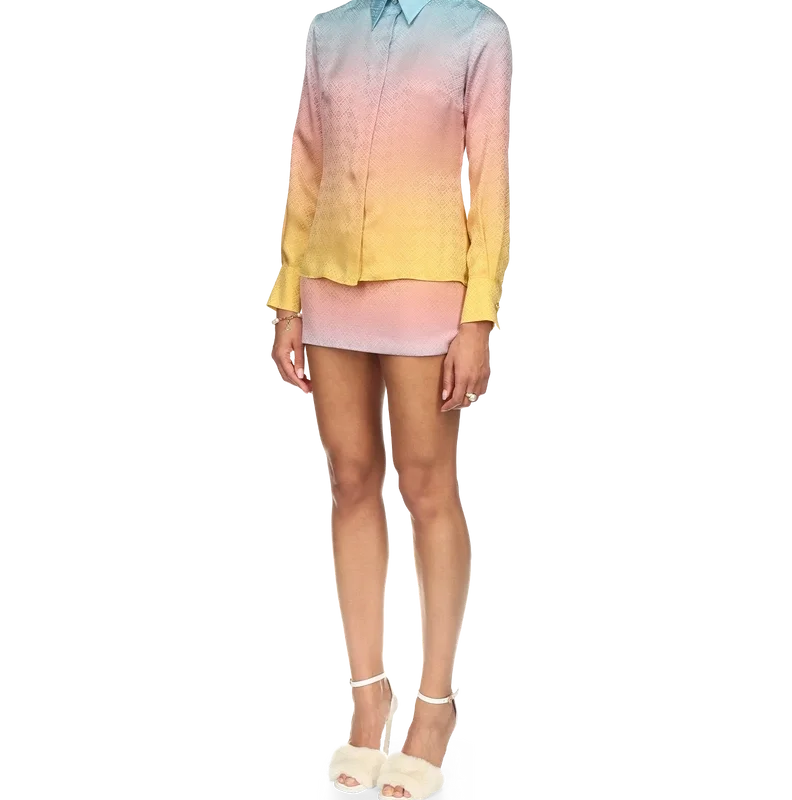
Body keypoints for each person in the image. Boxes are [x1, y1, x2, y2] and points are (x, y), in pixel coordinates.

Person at [266, 1, 511, 797]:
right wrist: (286, 302)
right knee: (349, 481)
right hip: (328, 284)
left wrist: (479, 316)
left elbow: (492, 178)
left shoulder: (474, 32)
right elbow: (306, 164)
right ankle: (368, 700)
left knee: (430, 485)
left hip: (429, 287)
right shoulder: (328, 29)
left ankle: (434, 707)